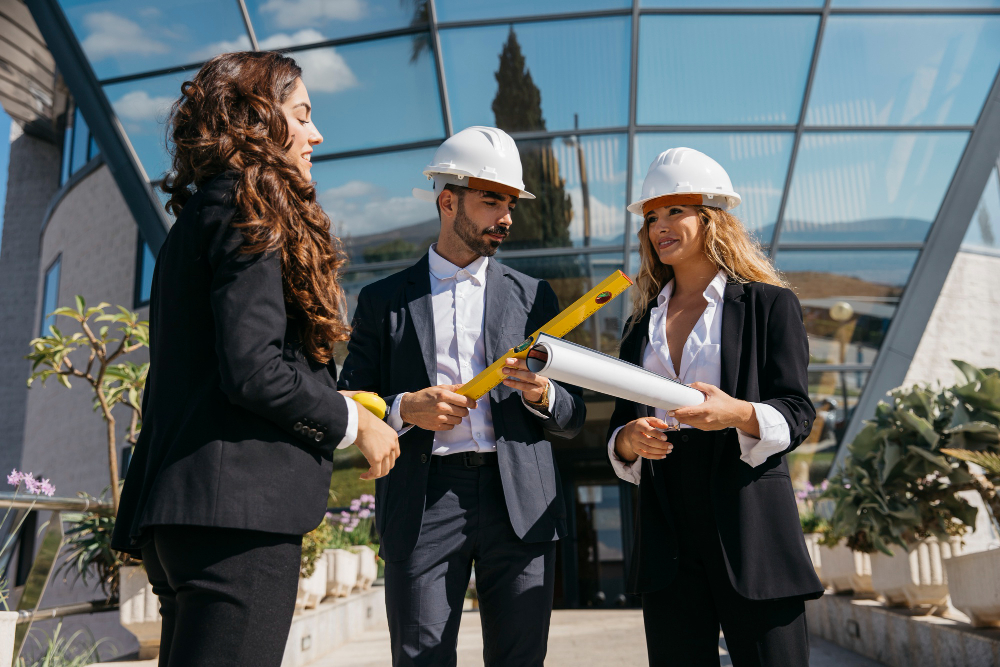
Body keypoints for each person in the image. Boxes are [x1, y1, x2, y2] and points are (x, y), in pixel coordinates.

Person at [110, 52, 400, 667]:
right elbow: (254, 370)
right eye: (302, 116)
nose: (317, 135)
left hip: (190, 518)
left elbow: (228, 369)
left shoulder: (199, 216)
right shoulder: (248, 207)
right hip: (236, 525)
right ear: (258, 119)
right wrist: (356, 424)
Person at [339, 126, 587, 667]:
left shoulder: (534, 297)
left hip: (520, 498)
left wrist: (544, 394)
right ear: (448, 201)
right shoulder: (382, 301)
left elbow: (574, 414)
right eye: (491, 201)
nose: (506, 218)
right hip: (426, 500)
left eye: (510, 204)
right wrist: (407, 407)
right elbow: (348, 399)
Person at [606, 147, 823, 666]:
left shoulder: (769, 305)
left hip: (751, 526)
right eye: (652, 217)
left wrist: (738, 414)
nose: (659, 226)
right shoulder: (640, 325)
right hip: (667, 531)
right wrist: (629, 441)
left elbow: (797, 410)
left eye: (674, 211)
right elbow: (619, 429)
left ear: (711, 218)